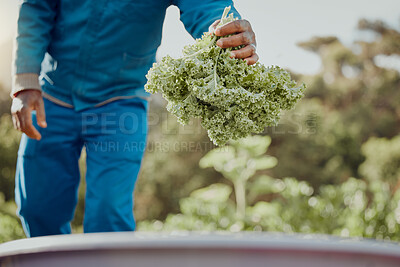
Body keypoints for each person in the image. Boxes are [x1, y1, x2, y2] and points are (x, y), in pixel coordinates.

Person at [10, 0, 258, 237]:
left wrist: (229, 31)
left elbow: (207, 6)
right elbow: (36, 7)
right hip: (52, 96)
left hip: (120, 103)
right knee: (38, 207)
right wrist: (25, 80)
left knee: (108, 213)